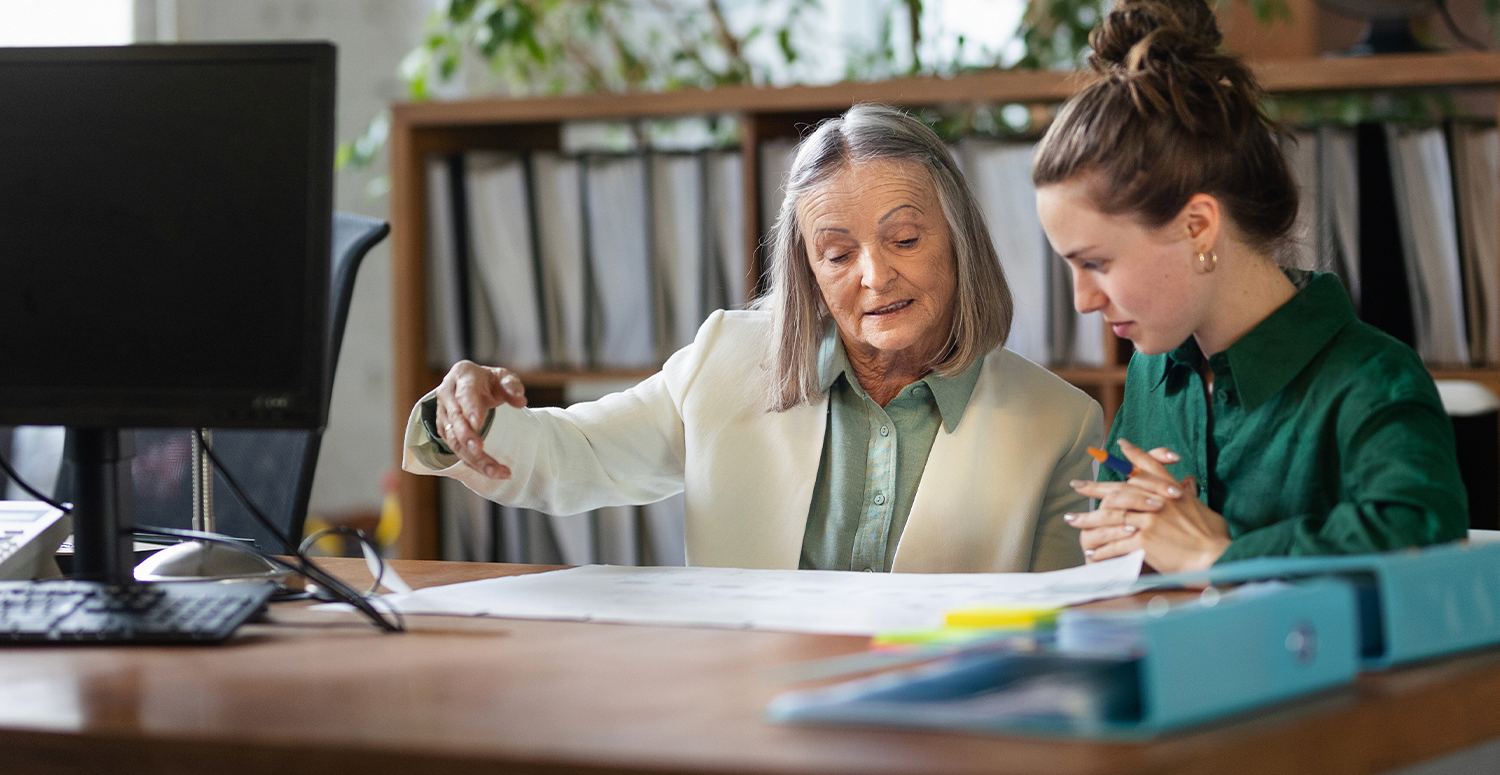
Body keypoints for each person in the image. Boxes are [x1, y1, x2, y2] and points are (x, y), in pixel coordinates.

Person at [405, 104, 1103, 573]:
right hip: (745, 714)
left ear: (959, 239)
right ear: (807, 268)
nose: (874, 275)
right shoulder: (726, 360)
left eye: (905, 238)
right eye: (836, 253)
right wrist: (466, 416)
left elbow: (1059, 632)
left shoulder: (1059, 423)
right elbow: (575, 455)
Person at [1031, 0, 1468, 573]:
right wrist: (1121, 535)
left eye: (1097, 264)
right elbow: (1130, 540)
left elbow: (1425, 547)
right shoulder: (1153, 373)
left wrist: (1220, 554)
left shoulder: (1373, 382)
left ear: (1198, 226)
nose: (1082, 301)